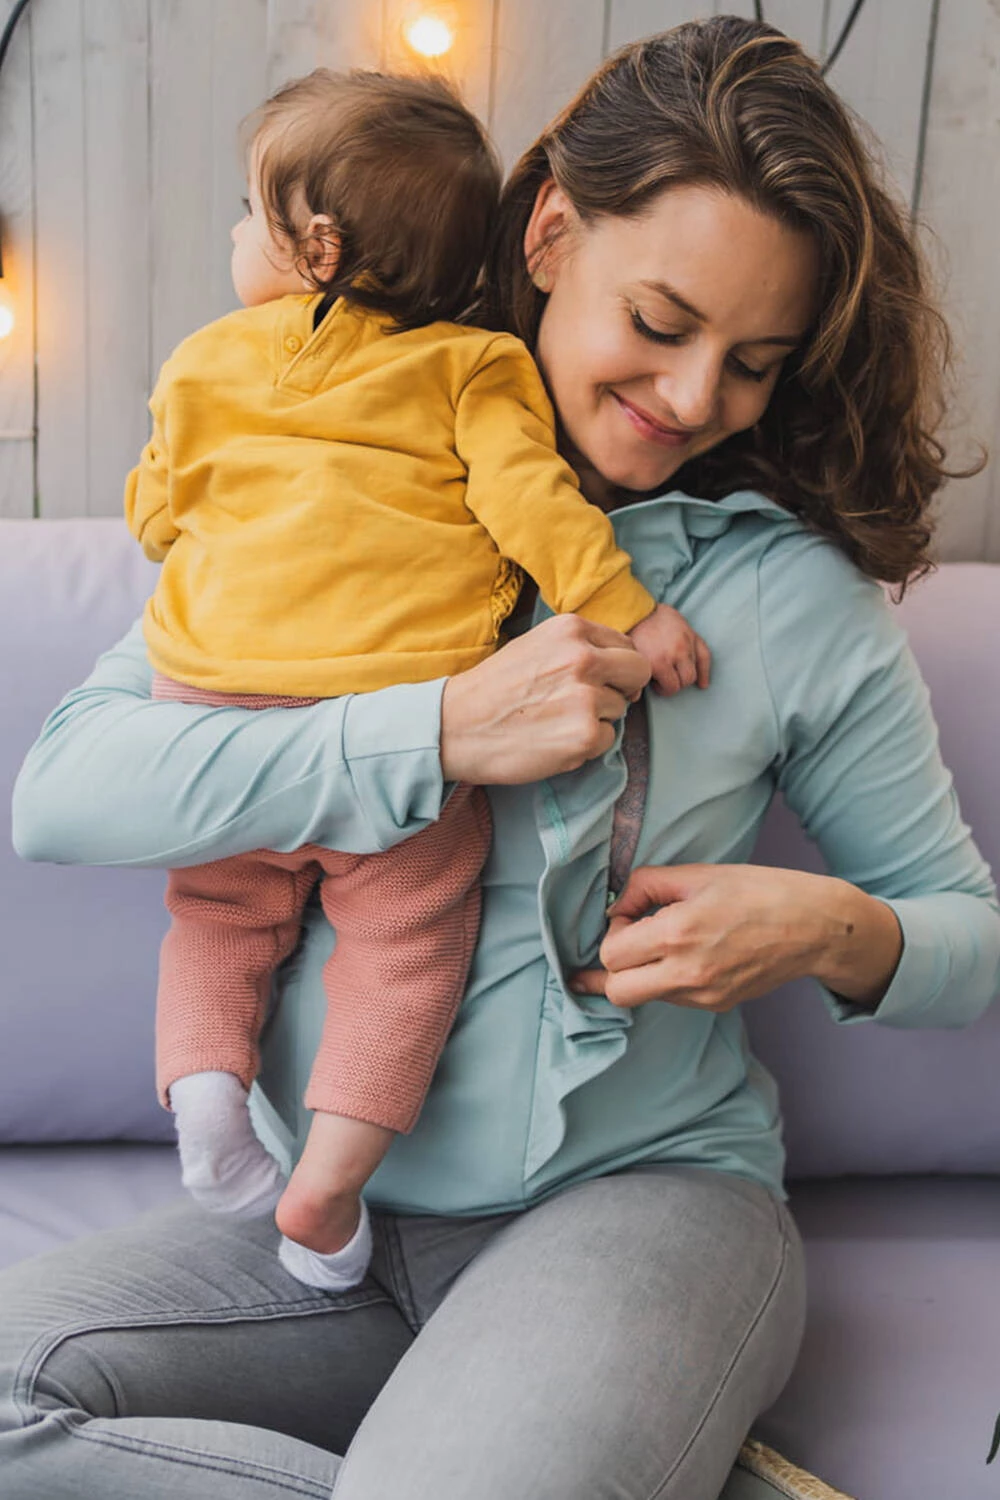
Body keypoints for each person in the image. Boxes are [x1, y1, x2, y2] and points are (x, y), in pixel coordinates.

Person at [4, 16, 999, 1500]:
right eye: (661, 323)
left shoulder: (786, 595)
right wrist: (436, 730)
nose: (694, 396)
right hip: (325, 1236)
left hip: (646, 1207)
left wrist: (828, 930)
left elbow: (967, 936)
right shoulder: (319, 484)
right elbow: (65, 794)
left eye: (754, 364)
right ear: (548, 234)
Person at [123, 67, 698, 1292]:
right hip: (398, 720)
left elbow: (159, 513)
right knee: (404, 943)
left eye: (248, 212)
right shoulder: (474, 369)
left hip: (217, 709)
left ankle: (211, 1105)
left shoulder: (204, 364)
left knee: (220, 917)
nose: (236, 232)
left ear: (315, 247)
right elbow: (531, 506)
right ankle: (327, 1183)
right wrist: (628, 609)